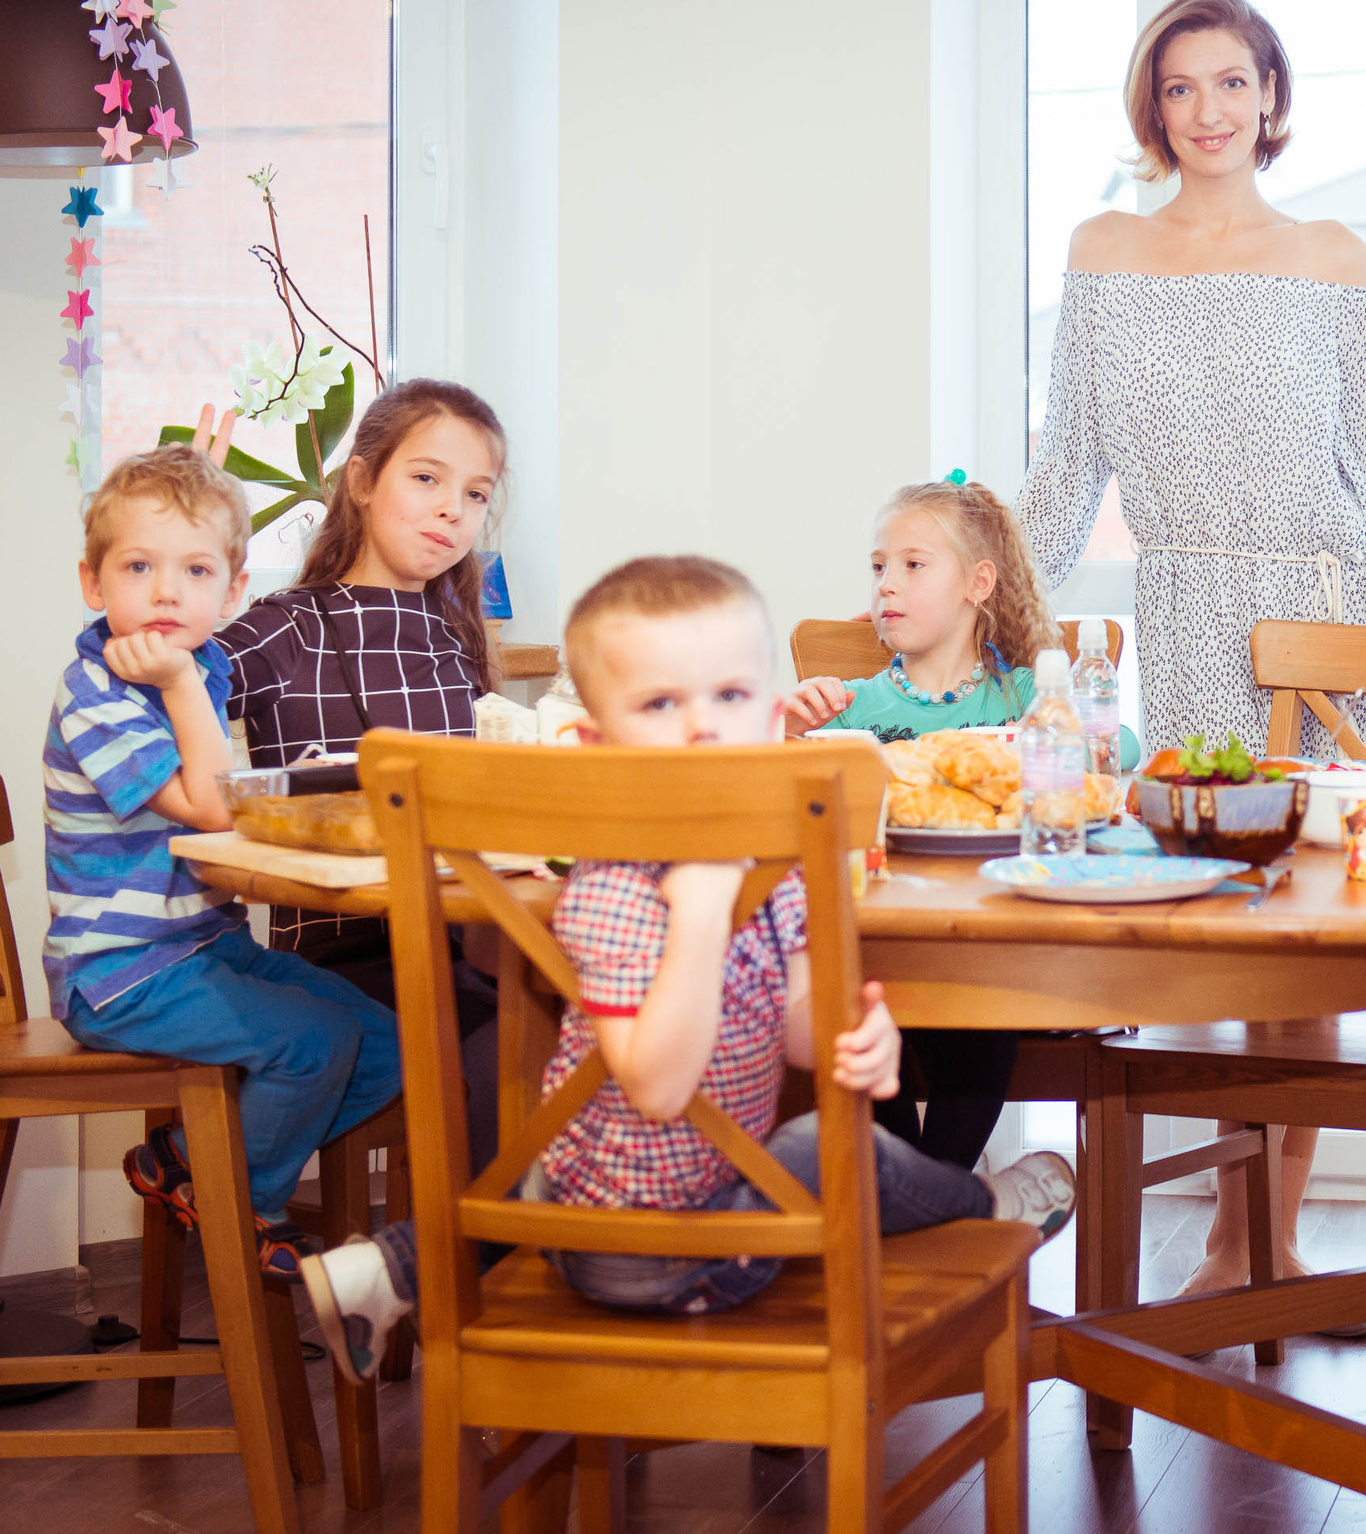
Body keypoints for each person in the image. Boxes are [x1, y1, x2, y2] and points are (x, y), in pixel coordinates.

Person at [298, 556, 1078, 1379]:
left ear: (775, 720)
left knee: (596, 1156)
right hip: (657, 1255)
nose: (703, 726)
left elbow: (806, 1033)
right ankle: (991, 1205)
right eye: (662, 703)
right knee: (833, 1149)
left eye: (731, 697)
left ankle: (386, 1269)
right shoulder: (613, 883)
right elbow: (659, 1090)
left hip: (590, 1201)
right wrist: (702, 915)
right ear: (596, 745)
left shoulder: (781, 866)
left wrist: (861, 1034)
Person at [1019, 0, 1366, 1302]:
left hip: (1321, 612)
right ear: (1151, 107)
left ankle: (1260, 1241)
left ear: (1271, 97)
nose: (1207, 111)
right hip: (1183, 605)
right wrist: (990, 603)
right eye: (1180, 87)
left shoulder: (1332, 254)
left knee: (1309, 928)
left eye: (1232, 82)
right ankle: (1235, 1223)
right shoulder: (1102, 248)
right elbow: (1066, 467)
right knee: (1216, 922)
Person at [47, 446, 402, 1279]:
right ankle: (242, 1199)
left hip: (199, 941)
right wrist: (175, 683)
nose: (167, 591)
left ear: (231, 592)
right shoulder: (97, 691)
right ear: (95, 584)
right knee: (313, 1044)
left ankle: (190, 1162)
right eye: (139, 567)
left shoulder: (200, 662)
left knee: (386, 1044)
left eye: (195, 570)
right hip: (120, 970)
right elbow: (210, 805)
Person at [187, 381, 510, 1171]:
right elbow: (166, 683)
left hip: (466, 940)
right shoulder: (289, 625)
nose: (451, 511)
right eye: (426, 479)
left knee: (583, 1018)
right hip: (345, 954)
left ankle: (514, 1262)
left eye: (475, 494)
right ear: (362, 483)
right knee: (503, 1054)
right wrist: (188, 540)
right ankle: (458, 1273)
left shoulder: (456, 636)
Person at [786, 478, 1139, 1167]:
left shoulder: (1028, 696)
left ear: (979, 583)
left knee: (985, 1011)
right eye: (879, 566)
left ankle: (922, 1197)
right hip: (881, 954)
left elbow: (1115, 750)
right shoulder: (852, 706)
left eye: (913, 566)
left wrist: (1027, 740)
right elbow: (789, 790)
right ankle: (940, 1203)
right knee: (855, 1008)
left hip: (1002, 952)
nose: (887, 584)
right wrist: (794, 725)